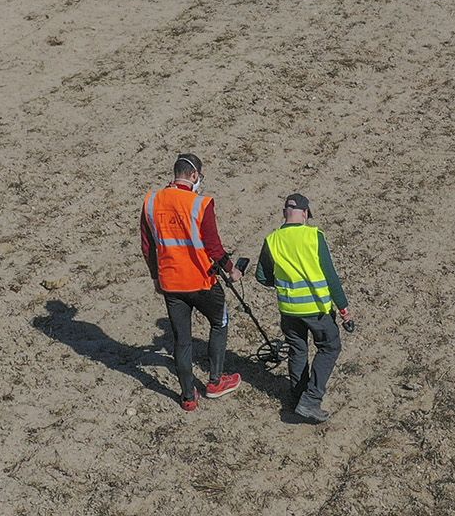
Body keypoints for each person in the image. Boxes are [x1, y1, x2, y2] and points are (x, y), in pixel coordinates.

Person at [139, 154, 242, 411]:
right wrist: (232, 270)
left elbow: (147, 245)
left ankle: (187, 397)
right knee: (219, 321)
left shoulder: (151, 202)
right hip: (201, 281)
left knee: (181, 340)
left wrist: (155, 276)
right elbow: (214, 246)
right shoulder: (201, 204)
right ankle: (216, 381)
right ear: (194, 176)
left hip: (171, 283)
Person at [253, 193, 351, 423]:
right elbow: (331, 277)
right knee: (329, 347)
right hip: (316, 309)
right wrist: (344, 309)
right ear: (305, 214)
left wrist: (284, 281)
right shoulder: (314, 236)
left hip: (288, 310)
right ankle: (311, 399)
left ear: (284, 213)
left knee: (298, 350)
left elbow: (261, 277)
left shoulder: (272, 240)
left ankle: (297, 398)